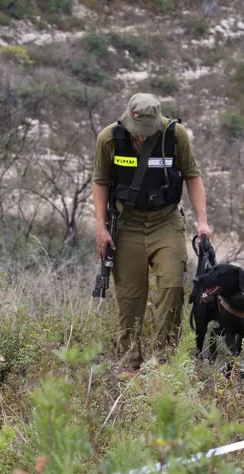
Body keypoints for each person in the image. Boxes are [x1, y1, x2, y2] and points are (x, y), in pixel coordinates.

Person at [92, 93, 211, 376]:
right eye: (138, 133)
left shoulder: (175, 136)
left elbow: (193, 176)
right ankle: (129, 364)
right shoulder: (109, 138)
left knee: (172, 288)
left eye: (147, 132)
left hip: (165, 220)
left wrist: (203, 222)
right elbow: (100, 182)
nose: (142, 137)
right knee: (130, 297)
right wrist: (100, 227)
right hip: (127, 224)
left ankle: (164, 363)